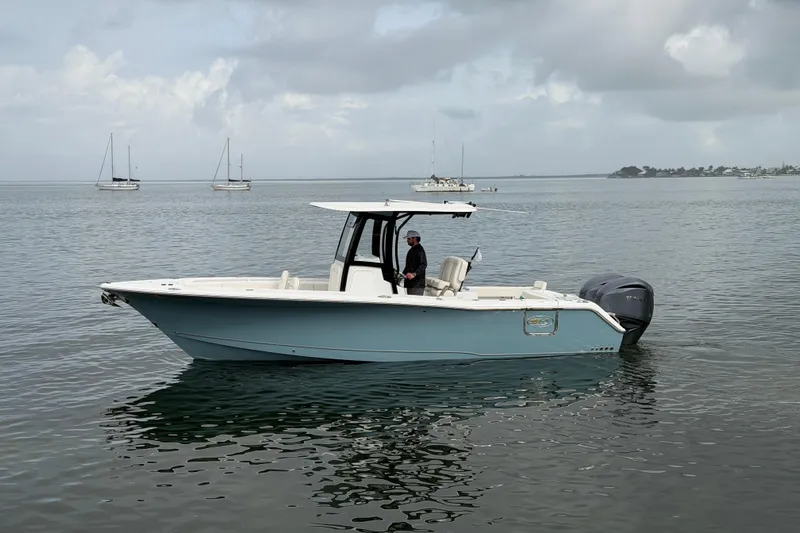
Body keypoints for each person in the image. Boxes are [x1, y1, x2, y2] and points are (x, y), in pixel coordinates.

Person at [401, 230, 427, 296]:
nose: (407, 240)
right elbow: (408, 266)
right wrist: (401, 275)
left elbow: (423, 265)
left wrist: (414, 274)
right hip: (410, 283)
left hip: (417, 285)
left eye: (409, 239)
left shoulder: (420, 250)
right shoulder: (412, 250)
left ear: (414, 239)